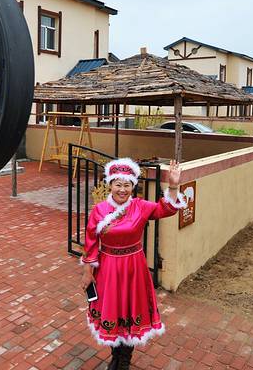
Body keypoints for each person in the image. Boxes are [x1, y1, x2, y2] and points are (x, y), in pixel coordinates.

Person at [80, 158, 186, 370]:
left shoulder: (141, 206)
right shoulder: (99, 210)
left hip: (133, 268)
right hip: (108, 268)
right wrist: (87, 272)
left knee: (130, 311)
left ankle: (124, 362)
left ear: (133, 186)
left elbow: (166, 209)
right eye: (118, 184)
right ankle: (115, 356)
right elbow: (90, 243)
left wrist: (173, 186)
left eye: (127, 185)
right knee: (112, 311)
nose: (122, 189)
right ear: (110, 184)